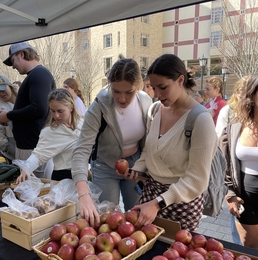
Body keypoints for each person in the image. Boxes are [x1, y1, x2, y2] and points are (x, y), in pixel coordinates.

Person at [122, 54, 217, 231]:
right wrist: (138, 169)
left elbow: (197, 180)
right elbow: (149, 151)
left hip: (183, 202)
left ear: (180, 80)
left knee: (177, 255)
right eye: (153, 87)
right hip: (150, 195)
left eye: (163, 87)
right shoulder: (155, 110)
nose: (157, 94)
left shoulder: (200, 120)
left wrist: (158, 203)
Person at [71, 57, 152, 227]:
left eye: (129, 92)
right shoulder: (99, 107)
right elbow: (81, 150)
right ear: (109, 86)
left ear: (138, 86)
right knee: (109, 220)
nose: (122, 98)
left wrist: (143, 169)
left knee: (137, 218)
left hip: (135, 166)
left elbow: (150, 142)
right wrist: (83, 194)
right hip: (105, 165)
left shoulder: (145, 102)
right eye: (116, 91)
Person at [0, 42, 56, 179]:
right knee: (31, 193)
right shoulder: (36, 75)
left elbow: (38, 108)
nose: (13, 66)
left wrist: (9, 116)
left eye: (13, 61)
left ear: (21, 54)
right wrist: (9, 119)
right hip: (31, 147)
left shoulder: (39, 75)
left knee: (36, 193)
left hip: (33, 148)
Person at [221, 74, 258, 250]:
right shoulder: (236, 126)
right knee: (248, 249)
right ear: (252, 95)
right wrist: (230, 194)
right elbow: (225, 163)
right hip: (246, 201)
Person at [15, 88, 83, 183]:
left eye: (60, 111)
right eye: (52, 111)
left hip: (83, 175)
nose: (56, 116)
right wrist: (26, 169)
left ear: (71, 107)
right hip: (64, 180)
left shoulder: (82, 123)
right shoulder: (49, 132)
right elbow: (38, 155)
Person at [216, 76, 248, 246]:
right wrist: (230, 193)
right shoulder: (231, 117)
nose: (247, 103)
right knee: (239, 241)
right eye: (243, 97)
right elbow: (224, 157)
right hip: (240, 190)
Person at [0, 74, 17, 161]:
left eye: (3, 89)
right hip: (13, 154)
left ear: (9, 86)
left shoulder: (24, 100)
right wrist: (12, 151)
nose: (1, 93)